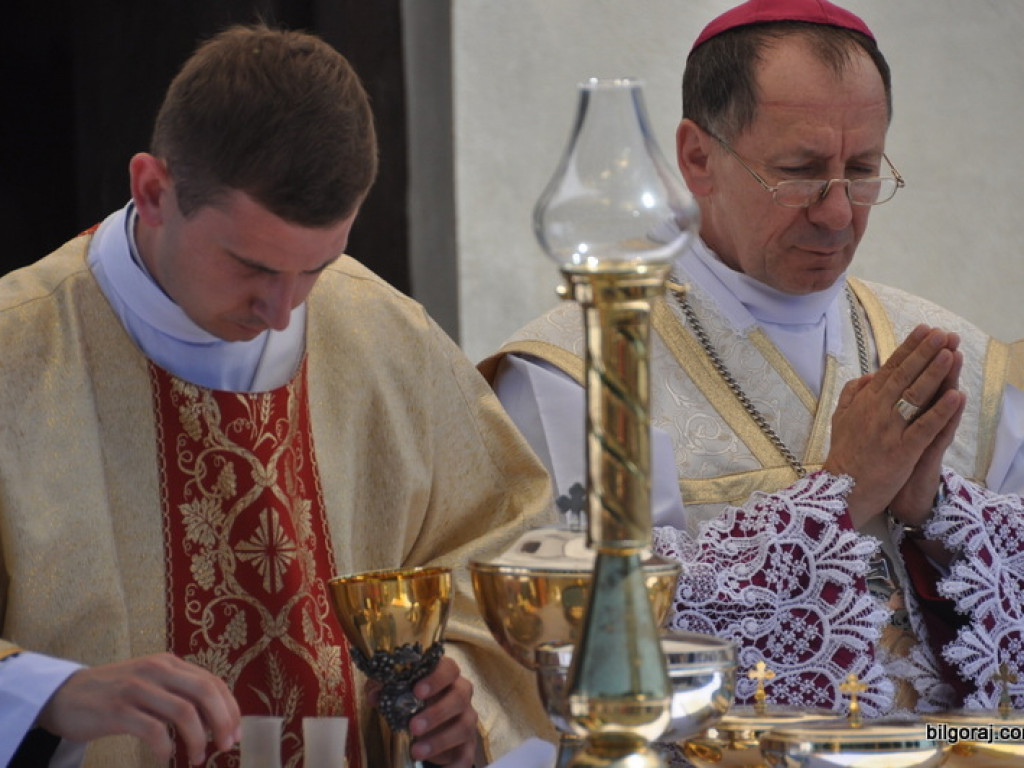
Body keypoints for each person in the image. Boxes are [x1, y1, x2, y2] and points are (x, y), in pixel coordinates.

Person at [0, 24, 555, 768]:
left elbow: (506, 553)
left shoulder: (387, 337)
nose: (284, 310)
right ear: (154, 191)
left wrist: (461, 707)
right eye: (252, 266)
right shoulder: (17, 351)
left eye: (317, 268)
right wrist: (49, 695)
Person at [482, 0, 1024, 717]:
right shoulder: (576, 375)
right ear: (698, 158)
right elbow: (581, 659)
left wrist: (936, 519)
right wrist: (840, 493)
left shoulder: (967, 367)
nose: (837, 214)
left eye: (862, 170)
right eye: (800, 171)